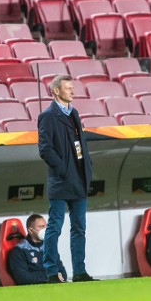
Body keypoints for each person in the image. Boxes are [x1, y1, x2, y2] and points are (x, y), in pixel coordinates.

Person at [37, 74, 97, 283]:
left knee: (79, 227)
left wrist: (86, 168)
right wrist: (63, 169)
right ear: (56, 91)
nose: (72, 91)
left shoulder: (74, 113)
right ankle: (52, 271)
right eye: (68, 88)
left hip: (79, 180)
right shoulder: (48, 116)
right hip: (62, 181)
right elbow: (45, 149)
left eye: (72, 87)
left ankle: (79, 271)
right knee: (55, 227)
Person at [7, 214, 67, 285]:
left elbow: (63, 274)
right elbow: (22, 278)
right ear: (30, 230)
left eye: (46, 226)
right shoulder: (18, 251)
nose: (46, 229)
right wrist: (51, 276)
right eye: (41, 227)